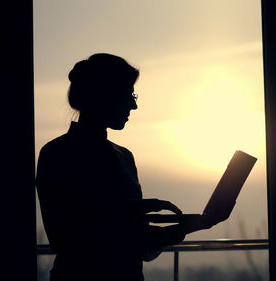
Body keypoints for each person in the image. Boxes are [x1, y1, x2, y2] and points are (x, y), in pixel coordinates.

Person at [36, 53, 213, 281]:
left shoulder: (115, 156)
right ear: (105, 96)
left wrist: (183, 226)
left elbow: (126, 234)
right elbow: (71, 239)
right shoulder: (59, 154)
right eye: (129, 94)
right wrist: (179, 226)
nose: (134, 104)